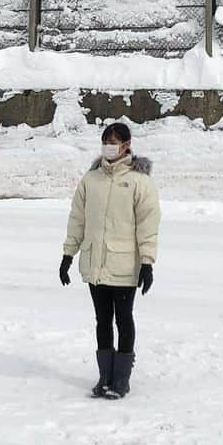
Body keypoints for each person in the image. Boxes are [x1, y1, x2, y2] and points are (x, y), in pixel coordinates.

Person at [59, 122, 160, 400]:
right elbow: (77, 219)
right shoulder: (91, 180)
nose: (109, 146)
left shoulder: (139, 182)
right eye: (106, 141)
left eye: (114, 142)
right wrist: (68, 254)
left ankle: (121, 379)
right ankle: (104, 376)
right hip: (95, 265)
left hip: (125, 265)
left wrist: (148, 262)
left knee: (123, 320)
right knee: (102, 321)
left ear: (127, 145)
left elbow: (148, 225)